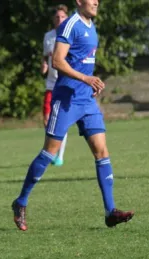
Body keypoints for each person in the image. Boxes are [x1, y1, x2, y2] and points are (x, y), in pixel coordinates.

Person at [11, 0, 134, 231]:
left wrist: (92, 81)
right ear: (79, 1)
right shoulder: (70, 25)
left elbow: (82, 62)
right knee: (50, 152)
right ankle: (21, 201)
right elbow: (57, 61)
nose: (96, 1)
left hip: (86, 100)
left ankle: (110, 211)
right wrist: (86, 79)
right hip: (66, 99)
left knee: (101, 150)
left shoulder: (91, 26)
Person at [41, 5, 69, 167]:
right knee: (46, 119)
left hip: (64, 84)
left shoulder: (70, 35)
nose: (59, 20)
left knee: (61, 121)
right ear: (53, 19)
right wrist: (44, 65)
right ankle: (52, 147)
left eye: (62, 17)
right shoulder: (48, 37)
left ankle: (59, 156)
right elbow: (45, 56)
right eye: (57, 17)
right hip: (51, 84)